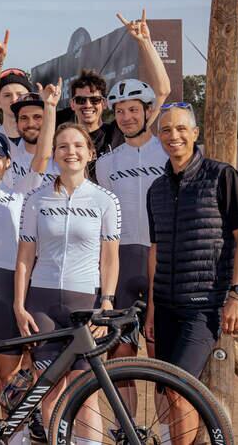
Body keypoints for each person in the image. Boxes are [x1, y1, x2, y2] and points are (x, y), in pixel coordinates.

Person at [143, 103, 238, 445]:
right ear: (159, 138)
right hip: (165, 304)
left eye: (181, 129)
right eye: (166, 130)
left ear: (195, 133)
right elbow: (155, 250)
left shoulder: (222, 176)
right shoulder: (156, 189)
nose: (173, 135)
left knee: (179, 391)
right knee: (168, 391)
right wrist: (151, 309)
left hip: (203, 305)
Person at [14, 124, 121, 443]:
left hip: (85, 303)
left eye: (77, 145)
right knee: (50, 392)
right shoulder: (36, 199)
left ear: (90, 153)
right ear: (54, 154)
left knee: (85, 393)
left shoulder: (105, 200)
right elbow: (24, 257)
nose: (70, 151)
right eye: (62, 146)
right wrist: (19, 305)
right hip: (42, 303)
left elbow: (110, 258)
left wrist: (107, 300)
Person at [0, 83, 57, 429]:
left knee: (9, 380)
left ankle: (14, 436)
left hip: (8, 289)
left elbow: (43, 157)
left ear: (8, 162)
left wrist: (50, 109)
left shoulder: (22, 191)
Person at [96, 79, 168, 363]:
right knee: (119, 356)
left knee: (161, 354)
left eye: (133, 110)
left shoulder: (167, 154)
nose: (126, 117)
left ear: (148, 111)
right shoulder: (105, 163)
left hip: (162, 261)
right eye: (120, 111)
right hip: (122, 261)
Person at [62, 11, 171, 161]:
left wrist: (145, 42)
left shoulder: (120, 130)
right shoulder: (65, 139)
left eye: (94, 100)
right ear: (72, 104)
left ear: (104, 103)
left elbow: (162, 91)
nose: (88, 105)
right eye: (81, 100)